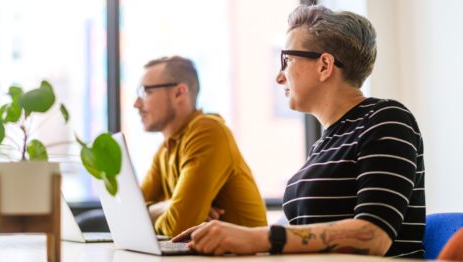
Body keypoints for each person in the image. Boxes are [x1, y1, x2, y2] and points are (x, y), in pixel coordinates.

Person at [172, 5, 425, 259]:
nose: (279, 77)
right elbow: (301, 236)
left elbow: (374, 236)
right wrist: (230, 235)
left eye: (287, 61)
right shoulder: (324, 145)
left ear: (324, 65)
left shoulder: (387, 119)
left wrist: (256, 237)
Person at [133, 56, 268, 238]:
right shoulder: (165, 149)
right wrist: (169, 206)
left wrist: (154, 213)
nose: (136, 104)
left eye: (145, 92)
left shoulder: (207, 131)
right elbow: (130, 216)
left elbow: (177, 228)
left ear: (179, 93)